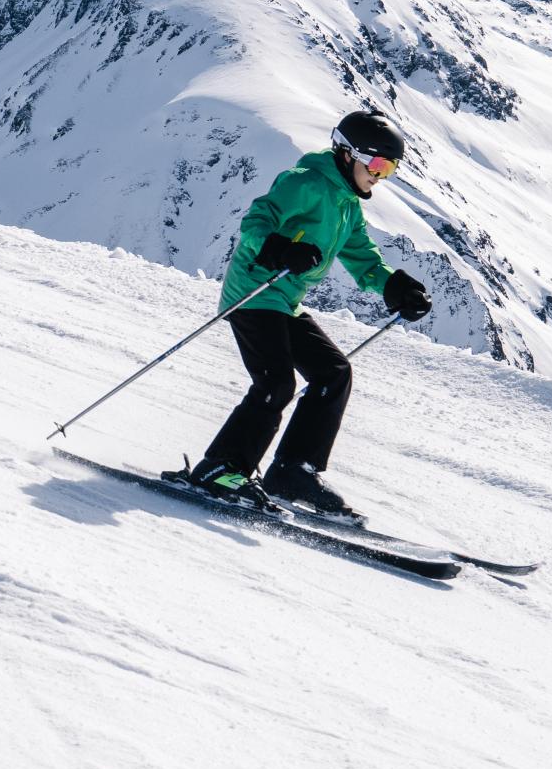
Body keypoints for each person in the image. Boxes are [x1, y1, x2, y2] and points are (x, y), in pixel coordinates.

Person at [184, 108, 433, 520]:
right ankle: (222, 468)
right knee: (276, 383)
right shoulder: (304, 183)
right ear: (349, 154)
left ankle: (292, 471)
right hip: (253, 292)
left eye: (390, 169)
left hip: (286, 301)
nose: (380, 176)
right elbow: (255, 223)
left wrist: (394, 286)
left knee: (333, 373)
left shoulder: (347, 205)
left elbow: (361, 257)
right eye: (377, 164)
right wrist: (279, 249)